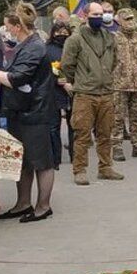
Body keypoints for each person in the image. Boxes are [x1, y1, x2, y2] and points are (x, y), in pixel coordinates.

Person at [0, 3, 58, 223]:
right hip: (20, 110)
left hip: (34, 112)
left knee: (42, 161)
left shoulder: (34, 47)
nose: (5, 31)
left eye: (7, 26)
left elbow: (17, 78)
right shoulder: (24, 45)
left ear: (17, 26)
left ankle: (43, 206)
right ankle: (23, 203)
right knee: (22, 161)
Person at [61, 2, 122, 185]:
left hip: (106, 92)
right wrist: (82, 80)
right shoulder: (75, 39)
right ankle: (79, 170)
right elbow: (67, 65)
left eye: (101, 14)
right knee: (82, 134)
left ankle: (105, 167)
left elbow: (114, 61)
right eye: (95, 14)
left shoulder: (109, 37)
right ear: (85, 16)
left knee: (106, 133)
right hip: (85, 93)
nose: (99, 17)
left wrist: (104, 77)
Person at [111, 8, 137, 161]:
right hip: (119, 84)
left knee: (136, 117)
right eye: (126, 19)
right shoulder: (114, 38)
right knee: (117, 118)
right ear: (119, 21)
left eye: (131, 18)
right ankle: (117, 146)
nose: (130, 22)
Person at [47, 21, 74, 168]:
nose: (62, 35)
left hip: (73, 90)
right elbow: (50, 69)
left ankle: (75, 157)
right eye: (58, 32)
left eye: (65, 32)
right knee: (53, 126)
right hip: (53, 91)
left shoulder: (74, 47)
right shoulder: (48, 49)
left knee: (74, 126)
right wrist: (63, 82)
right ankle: (55, 159)